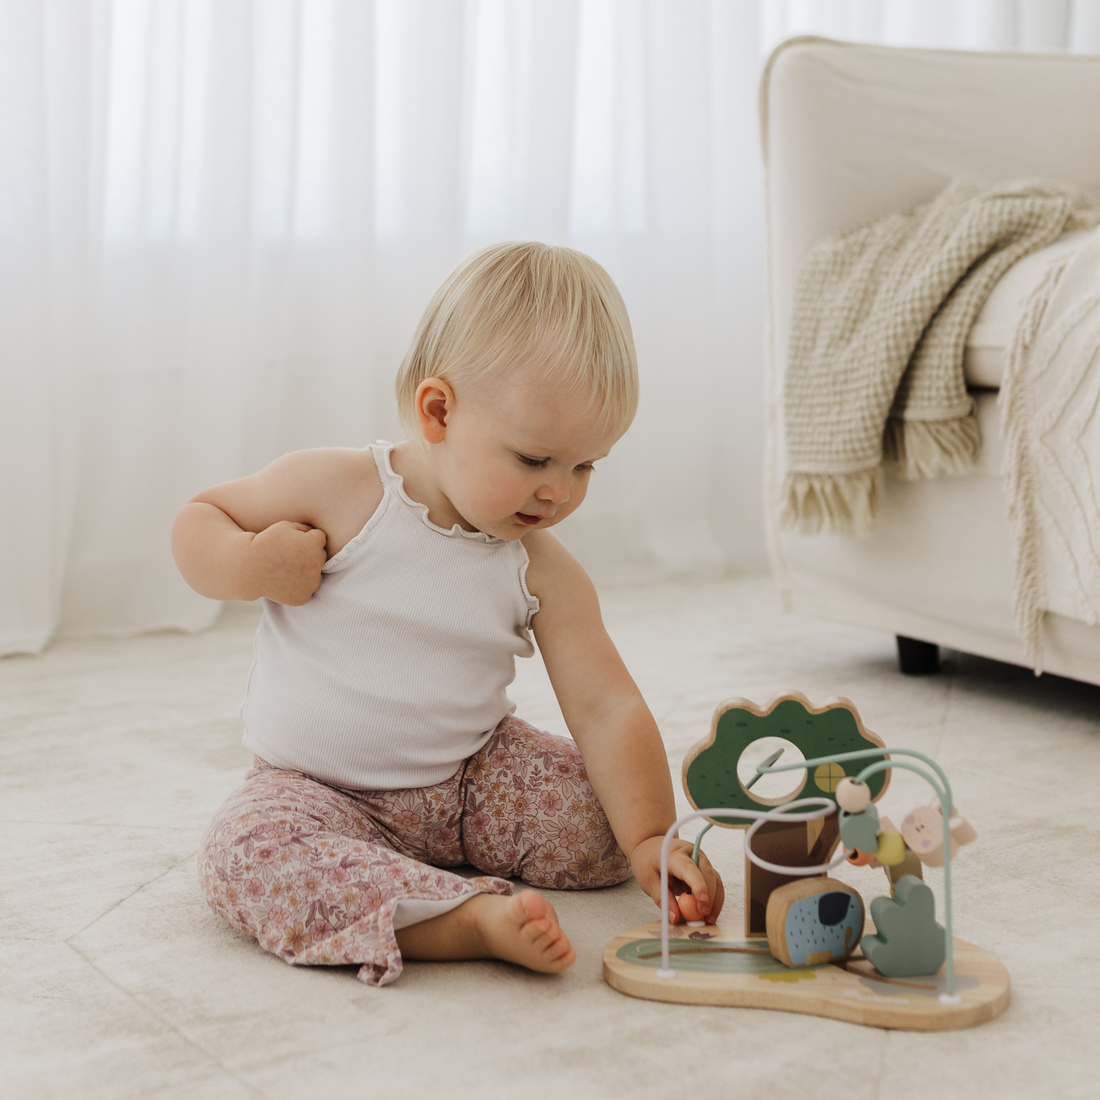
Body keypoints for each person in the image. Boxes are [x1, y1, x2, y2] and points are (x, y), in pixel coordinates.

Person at [171, 241, 724, 987]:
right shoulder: (338, 489)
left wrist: (652, 834)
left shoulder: (539, 567)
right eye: (535, 460)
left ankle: (429, 872)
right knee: (245, 857)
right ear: (438, 412)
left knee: (604, 823)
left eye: (585, 466)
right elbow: (199, 520)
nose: (559, 493)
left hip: (468, 783)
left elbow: (606, 706)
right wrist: (249, 565)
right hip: (316, 786)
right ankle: (459, 917)